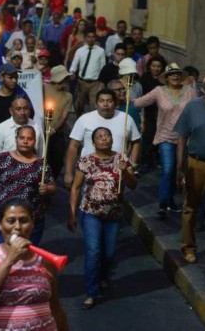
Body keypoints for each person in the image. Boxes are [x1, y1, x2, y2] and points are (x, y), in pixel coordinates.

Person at [0, 198, 68, 331]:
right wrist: (10, 260)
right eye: (10, 221)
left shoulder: (45, 260)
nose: (18, 227)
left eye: (24, 220)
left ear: (32, 224)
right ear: (0, 225)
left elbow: (55, 308)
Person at [68, 127, 137, 309]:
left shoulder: (122, 159)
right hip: (91, 213)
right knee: (93, 252)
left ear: (112, 139)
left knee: (109, 252)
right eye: (100, 137)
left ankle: (104, 275)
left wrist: (127, 172)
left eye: (107, 136)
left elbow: (133, 185)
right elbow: (75, 187)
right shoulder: (86, 161)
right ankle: (91, 293)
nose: (104, 139)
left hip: (113, 214)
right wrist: (72, 213)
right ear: (93, 142)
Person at [0, 126, 56, 245]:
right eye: (22, 138)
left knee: (24, 259)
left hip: (30, 220)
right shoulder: (3, 159)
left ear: (35, 141)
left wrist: (47, 189)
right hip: (3, 216)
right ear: (16, 139)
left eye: (29, 139)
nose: (25, 141)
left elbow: (53, 187)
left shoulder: (41, 165)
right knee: (0, 256)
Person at [134, 63, 197, 217]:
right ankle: (163, 203)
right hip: (165, 136)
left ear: (181, 77)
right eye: (171, 74)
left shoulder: (190, 92)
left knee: (180, 170)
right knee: (168, 169)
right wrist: (123, 95)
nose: (174, 76)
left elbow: (201, 106)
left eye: (177, 74)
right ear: (167, 78)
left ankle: (172, 201)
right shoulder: (159, 91)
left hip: (186, 137)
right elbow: (138, 102)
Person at [64, 89, 141, 189]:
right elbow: (73, 146)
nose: (105, 104)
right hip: (90, 173)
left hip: (117, 173)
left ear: (116, 103)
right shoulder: (84, 119)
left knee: (116, 201)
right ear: (96, 104)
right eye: (101, 101)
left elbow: (136, 142)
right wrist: (68, 172)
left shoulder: (126, 118)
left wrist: (132, 166)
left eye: (109, 101)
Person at [175, 76, 205, 264]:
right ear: (204, 87)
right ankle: (188, 247)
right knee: (191, 207)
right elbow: (181, 137)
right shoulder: (192, 107)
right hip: (196, 163)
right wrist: (180, 167)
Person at [0, 64, 34, 147]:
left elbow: (30, 120)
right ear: (1, 77)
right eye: (10, 77)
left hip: (21, 145)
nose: (14, 80)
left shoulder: (22, 98)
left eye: (16, 77)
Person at [43, 66, 74, 179]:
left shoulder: (68, 96)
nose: (66, 82)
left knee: (57, 161)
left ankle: (52, 182)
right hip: (42, 131)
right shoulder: (43, 88)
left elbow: (64, 116)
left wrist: (54, 130)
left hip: (56, 133)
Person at [69, 27, 106, 117]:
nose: (91, 39)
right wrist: (72, 72)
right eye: (88, 37)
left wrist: (101, 82)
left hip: (94, 82)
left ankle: (93, 123)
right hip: (82, 82)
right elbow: (74, 64)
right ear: (85, 38)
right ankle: (79, 120)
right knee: (79, 105)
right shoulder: (80, 51)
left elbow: (103, 67)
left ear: (95, 38)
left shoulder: (100, 51)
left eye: (93, 37)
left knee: (94, 106)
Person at [138, 55, 165, 172]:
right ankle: (145, 161)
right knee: (148, 136)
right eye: (154, 66)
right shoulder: (145, 78)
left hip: (162, 112)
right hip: (148, 111)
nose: (156, 68)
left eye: (159, 66)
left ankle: (157, 158)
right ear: (150, 66)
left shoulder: (165, 79)